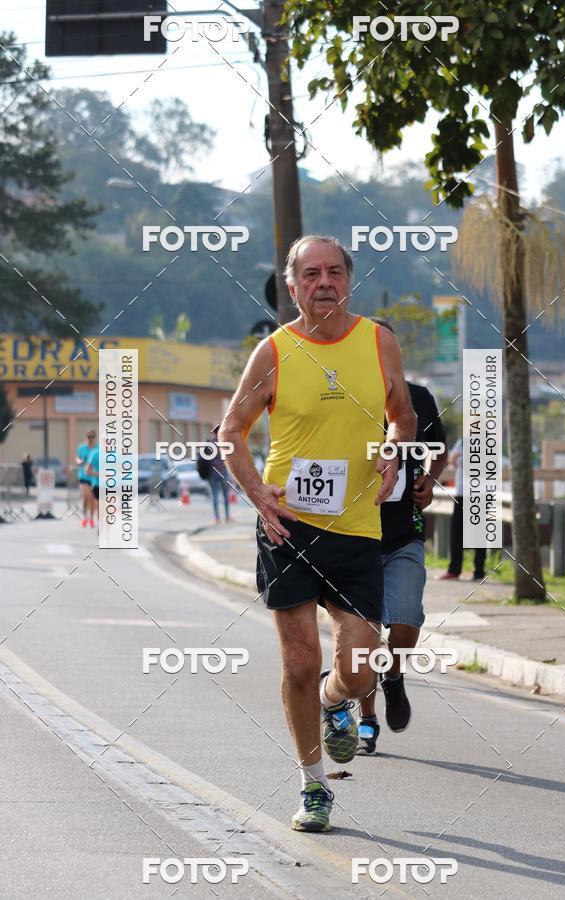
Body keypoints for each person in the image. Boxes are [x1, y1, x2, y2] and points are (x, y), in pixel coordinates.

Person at [220, 235, 415, 832]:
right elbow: (231, 431)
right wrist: (257, 493)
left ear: (348, 282)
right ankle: (313, 786)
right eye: (311, 274)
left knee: (359, 672)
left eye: (334, 272)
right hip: (289, 528)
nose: (323, 282)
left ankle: (336, 702)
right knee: (301, 663)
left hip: (356, 531)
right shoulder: (274, 352)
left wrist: (394, 449)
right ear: (293, 286)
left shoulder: (378, 341)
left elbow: (403, 415)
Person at [357, 318, 448, 754]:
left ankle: (393, 676)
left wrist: (429, 480)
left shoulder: (419, 398)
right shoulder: (346, 400)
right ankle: (367, 720)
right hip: (355, 536)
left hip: (404, 532)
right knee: (361, 635)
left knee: (406, 622)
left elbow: (439, 449)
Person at [438, 437, 486, 581]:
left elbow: (452, 460)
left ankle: (454, 570)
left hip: (464, 494)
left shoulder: (464, 441)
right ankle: (479, 572)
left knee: (457, 532)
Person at [207, 426, 232, 524]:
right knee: (226, 496)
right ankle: (227, 517)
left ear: (214, 432)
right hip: (223, 472)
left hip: (213, 473)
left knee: (215, 496)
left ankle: (217, 518)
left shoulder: (210, 443)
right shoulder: (224, 442)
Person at [76, 430, 97, 527]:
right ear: (86, 437)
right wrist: (79, 461)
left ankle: (91, 518)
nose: (90, 439)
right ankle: (85, 517)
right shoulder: (82, 448)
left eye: (92, 437)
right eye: (89, 436)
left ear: (95, 438)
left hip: (94, 477)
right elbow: (78, 458)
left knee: (92, 499)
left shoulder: (98, 448)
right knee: (86, 497)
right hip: (84, 475)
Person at [85, 443, 100, 526]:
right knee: (100, 506)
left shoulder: (116, 454)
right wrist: (98, 474)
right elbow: (87, 471)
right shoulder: (95, 454)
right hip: (98, 485)